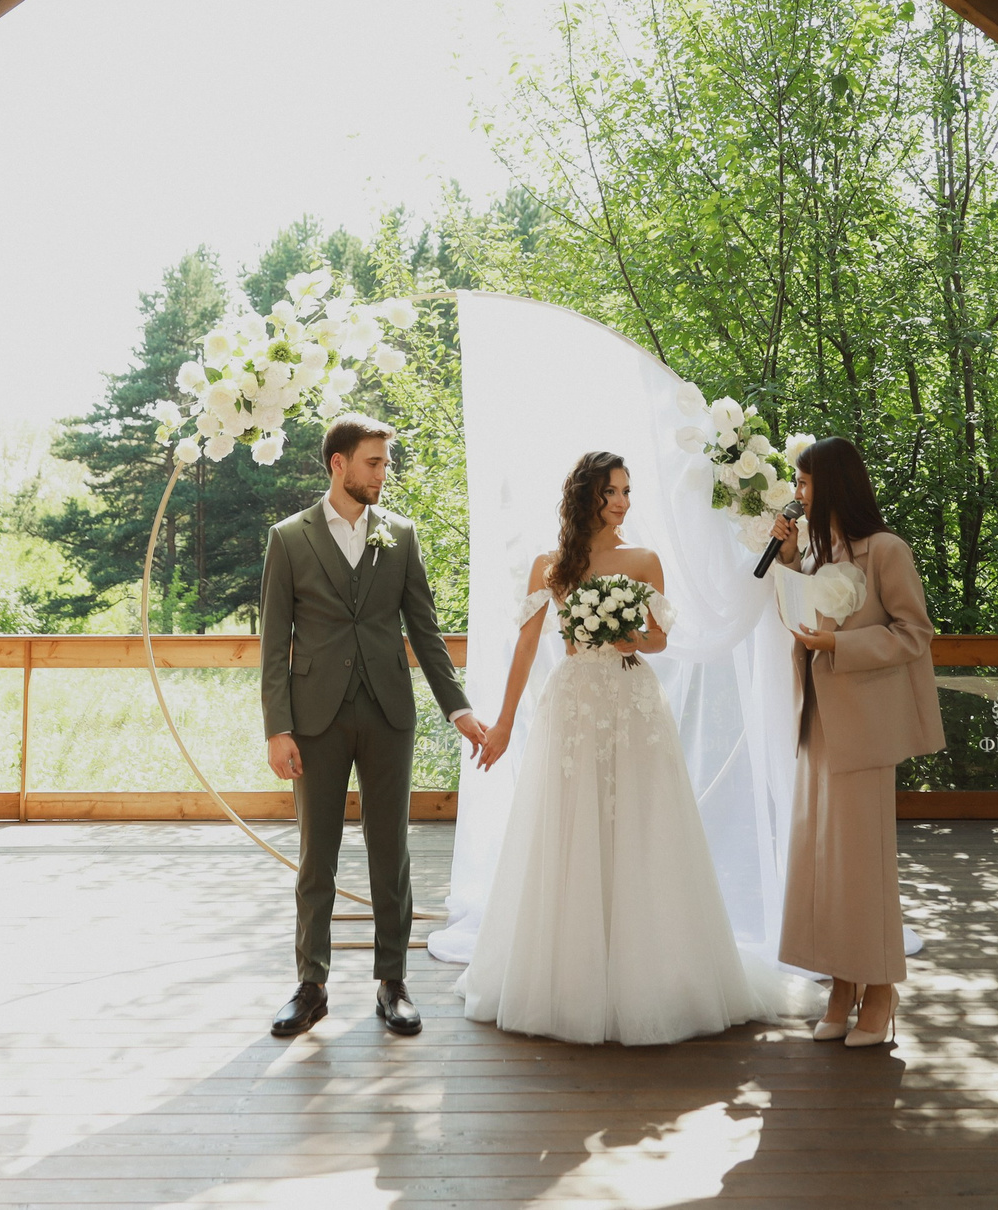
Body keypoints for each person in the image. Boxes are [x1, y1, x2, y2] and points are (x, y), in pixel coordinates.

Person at [458, 451, 789, 1045]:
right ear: (585, 494)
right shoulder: (550, 565)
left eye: (628, 491)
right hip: (574, 706)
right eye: (612, 490)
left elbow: (660, 641)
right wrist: (504, 723)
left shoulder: (644, 561)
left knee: (642, 823)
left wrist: (626, 632)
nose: (623, 501)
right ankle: (570, 977)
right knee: (570, 826)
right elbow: (527, 647)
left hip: (634, 703)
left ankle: (654, 973)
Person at [261, 415, 488, 1040]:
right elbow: (273, 640)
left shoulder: (402, 536)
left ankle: (393, 982)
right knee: (317, 857)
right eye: (372, 463)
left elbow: (425, 630)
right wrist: (278, 728)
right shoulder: (288, 539)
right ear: (338, 463)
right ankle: (311, 984)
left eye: (385, 463)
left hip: (389, 712)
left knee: (392, 851)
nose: (382, 474)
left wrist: (458, 707)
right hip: (315, 719)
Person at [767, 436, 945, 1049]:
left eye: (805, 483)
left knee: (862, 867)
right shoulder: (818, 555)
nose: (798, 493)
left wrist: (839, 646)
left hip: (865, 729)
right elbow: (802, 620)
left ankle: (882, 988)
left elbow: (914, 633)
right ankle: (842, 984)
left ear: (833, 485)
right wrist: (789, 562)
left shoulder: (886, 551)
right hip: (818, 723)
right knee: (823, 864)